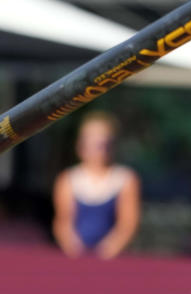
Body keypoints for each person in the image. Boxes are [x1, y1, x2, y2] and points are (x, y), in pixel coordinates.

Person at [53, 111, 140, 259]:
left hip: (112, 257)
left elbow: (127, 224)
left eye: (102, 143)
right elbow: (63, 222)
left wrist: (108, 251)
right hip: (74, 255)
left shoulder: (125, 178)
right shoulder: (68, 179)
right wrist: (74, 249)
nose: (97, 149)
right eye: (91, 141)